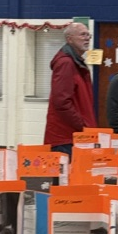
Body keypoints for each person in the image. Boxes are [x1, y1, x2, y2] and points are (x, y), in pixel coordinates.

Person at [43, 22, 96, 155]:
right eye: (83, 34)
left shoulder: (76, 62)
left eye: (88, 35)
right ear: (69, 39)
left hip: (75, 137)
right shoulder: (66, 63)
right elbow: (61, 102)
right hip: (66, 138)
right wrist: (82, 125)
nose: (87, 38)